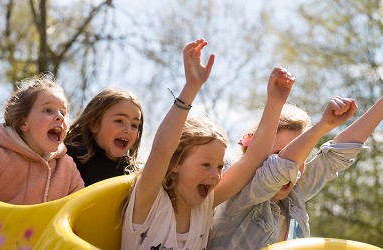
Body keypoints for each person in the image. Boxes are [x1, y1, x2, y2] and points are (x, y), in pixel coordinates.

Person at [121, 38, 296, 249]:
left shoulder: (203, 208)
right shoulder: (149, 201)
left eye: (220, 167)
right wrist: (191, 87)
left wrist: (275, 102)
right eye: (206, 165)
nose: (215, 175)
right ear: (176, 163)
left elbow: (252, 160)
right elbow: (161, 151)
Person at [207, 95, 383, 250]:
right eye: (278, 154)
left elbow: (336, 156)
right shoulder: (242, 193)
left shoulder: (295, 194)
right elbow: (280, 170)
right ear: (256, 154)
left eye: (302, 155)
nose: (294, 166)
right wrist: (323, 126)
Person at [0, 75, 85, 205]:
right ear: (23, 123)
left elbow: (80, 211)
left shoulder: (67, 167)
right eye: (48, 110)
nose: (60, 117)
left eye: (63, 112)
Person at [64, 88, 143, 186]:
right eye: (119, 121)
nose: (128, 130)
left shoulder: (132, 173)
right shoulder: (70, 157)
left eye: (134, 125)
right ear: (94, 124)